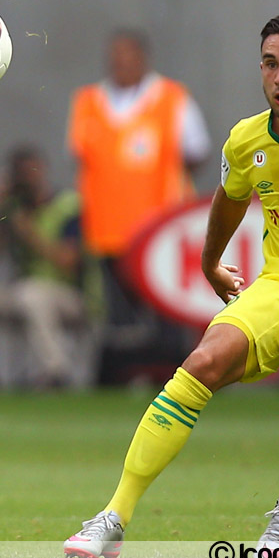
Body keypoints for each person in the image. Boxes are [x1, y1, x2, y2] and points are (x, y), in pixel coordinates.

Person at [65, 13, 279, 558]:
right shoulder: (247, 140)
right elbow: (230, 196)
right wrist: (210, 263)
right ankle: (114, 515)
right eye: (271, 64)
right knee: (204, 360)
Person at [67, 30, 210, 333]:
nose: (119, 62)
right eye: (115, 56)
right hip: (106, 232)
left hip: (158, 230)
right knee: (118, 318)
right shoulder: (88, 101)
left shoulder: (172, 98)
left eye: (127, 55)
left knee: (163, 315)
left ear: (143, 59)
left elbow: (197, 151)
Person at [0, 145, 99, 391]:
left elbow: (68, 261)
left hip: (71, 297)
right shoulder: (12, 209)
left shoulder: (68, 205)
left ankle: (55, 372)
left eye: (32, 172)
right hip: (23, 294)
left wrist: (26, 230)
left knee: (32, 293)